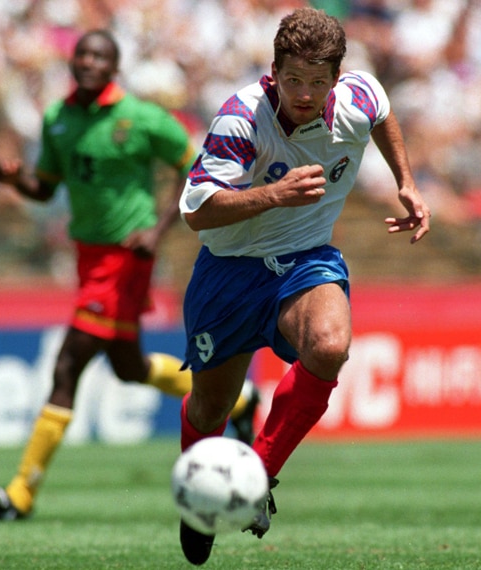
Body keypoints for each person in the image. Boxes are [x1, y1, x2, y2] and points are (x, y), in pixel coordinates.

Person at [174, 8, 430, 565]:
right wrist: (273, 194)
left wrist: (405, 182)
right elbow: (195, 211)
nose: (306, 93)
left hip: (306, 260)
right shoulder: (242, 117)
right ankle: (197, 504)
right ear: (274, 71)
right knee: (208, 407)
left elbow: (382, 111)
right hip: (229, 271)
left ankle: (257, 474)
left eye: (318, 81)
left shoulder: (356, 99)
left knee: (331, 344)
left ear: (337, 78)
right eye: (294, 80)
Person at [0, 29, 260, 521]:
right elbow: (45, 188)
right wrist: (15, 179)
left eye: (98, 56)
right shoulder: (58, 119)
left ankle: (20, 493)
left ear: (114, 67)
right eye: (81, 54)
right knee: (129, 367)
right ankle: (239, 400)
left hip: (126, 260)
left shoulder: (142, 119)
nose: (88, 62)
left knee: (67, 366)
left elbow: (196, 170)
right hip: (88, 259)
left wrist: (159, 229)